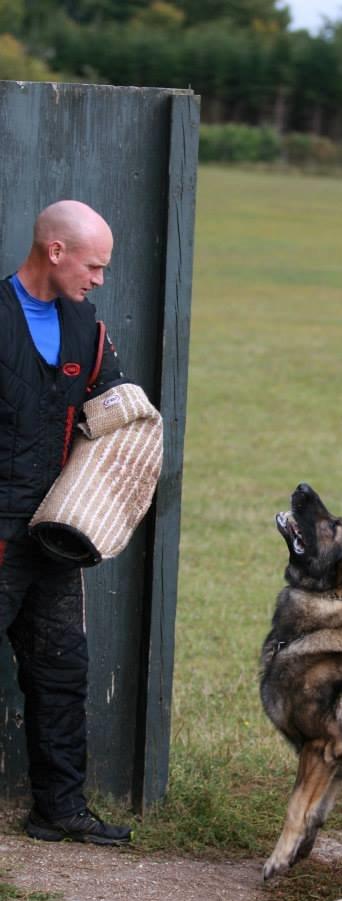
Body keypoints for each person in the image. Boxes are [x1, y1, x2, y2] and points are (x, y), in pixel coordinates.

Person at [0, 200, 132, 844]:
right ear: (56, 252)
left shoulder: (87, 329)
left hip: (52, 536)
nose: (99, 279)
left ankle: (59, 808)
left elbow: (121, 410)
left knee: (61, 669)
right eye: (94, 265)